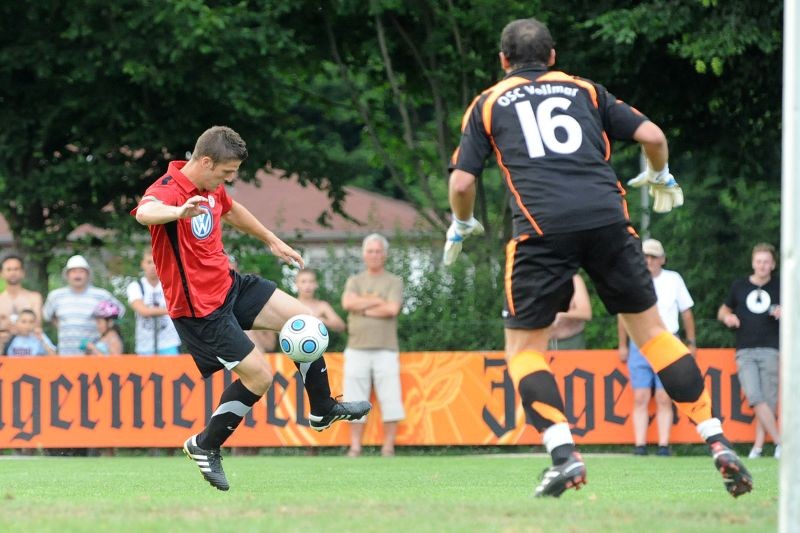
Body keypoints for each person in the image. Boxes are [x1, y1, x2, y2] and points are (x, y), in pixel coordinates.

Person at [445, 18, 751, 498]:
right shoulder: (586, 91)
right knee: (653, 334)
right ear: (552, 56)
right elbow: (651, 134)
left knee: (525, 351)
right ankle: (715, 438)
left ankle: (564, 456)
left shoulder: (486, 103)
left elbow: (462, 183)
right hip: (608, 219)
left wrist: (461, 221)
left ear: (503, 61)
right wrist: (660, 173)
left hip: (540, 230)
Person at [131, 125, 370, 491]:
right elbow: (145, 213)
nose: (229, 179)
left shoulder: (212, 189)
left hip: (230, 286)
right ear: (206, 161)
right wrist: (177, 212)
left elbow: (232, 209)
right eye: (227, 173)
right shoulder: (168, 190)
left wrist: (272, 239)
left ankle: (322, 409)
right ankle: (205, 445)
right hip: (199, 310)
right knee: (259, 377)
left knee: (304, 321)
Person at [617, 238, 696, 457]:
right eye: (645, 256)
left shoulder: (673, 279)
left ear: (662, 259)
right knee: (640, 396)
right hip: (639, 342)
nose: (649, 260)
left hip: (668, 340)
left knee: (663, 397)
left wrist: (691, 342)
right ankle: (639, 445)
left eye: (653, 256)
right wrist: (622, 344)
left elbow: (686, 312)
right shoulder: (633, 280)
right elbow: (623, 315)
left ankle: (663, 445)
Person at [341, 234, 405, 457]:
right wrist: (378, 301)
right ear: (363, 254)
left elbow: (392, 309)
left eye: (378, 251)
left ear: (384, 255)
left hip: (386, 350)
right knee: (352, 400)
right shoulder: (355, 281)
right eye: (370, 251)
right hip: (356, 348)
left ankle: (388, 447)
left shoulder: (394, 281)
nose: (374, 255)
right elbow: (348, 303)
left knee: (390, 398)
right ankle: (355, 446)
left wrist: (364, 308)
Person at [718, 242, 781, 459]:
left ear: (773, 265)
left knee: (769, 401)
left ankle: (758, 447)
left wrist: (787, 311)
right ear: (753, 263)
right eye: (758, 261)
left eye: (766, 262)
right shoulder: (739, 286)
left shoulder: (782, 286)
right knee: (754, 396)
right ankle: (781, 443)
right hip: (745, 349)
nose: (762, 266)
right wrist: (728, 317)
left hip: (772, 349)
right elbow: (722, 311)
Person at [43, 255, 126, 355]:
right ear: (67, 275)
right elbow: (47, 316)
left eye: (81, 271)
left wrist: (107, 331)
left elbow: (120, 311)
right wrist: (65, 326)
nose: (77, 275)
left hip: (93, 355)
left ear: (88, 275)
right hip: (65, 354)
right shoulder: (55, 296)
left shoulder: (101, 295)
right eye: (73, 272)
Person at [127, 250, 182, 355]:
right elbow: (143, 311)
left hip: (169, 344)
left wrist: (152, 310)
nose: (152, 266)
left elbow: (180, 308)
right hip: (145, 346)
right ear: (142, 264)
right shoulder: (135, 286)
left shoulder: (171, 285)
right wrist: (169, 310)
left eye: (156, 262)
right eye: (149, 262)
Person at [0, 253, 44, 332]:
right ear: (1, 273)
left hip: (29, 343)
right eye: (8, 269)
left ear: (23, 272)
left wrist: (6, 323)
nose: (13, 273)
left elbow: (37, 324)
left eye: (16, 269)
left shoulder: (34, 298)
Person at [548, 274, 592, 350]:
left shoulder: (574, 279)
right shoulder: (531, 279)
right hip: (540, 344)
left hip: (571, 342)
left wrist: (561, 314)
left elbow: (586, 313)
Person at [296, 268, 346, 334]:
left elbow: (341, 326)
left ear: (316, 284)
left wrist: (322, 320)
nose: (308, 285)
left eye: (311, 281)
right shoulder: (290, 304)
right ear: (297, 284)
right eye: (303, 281)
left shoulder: (322, 305)